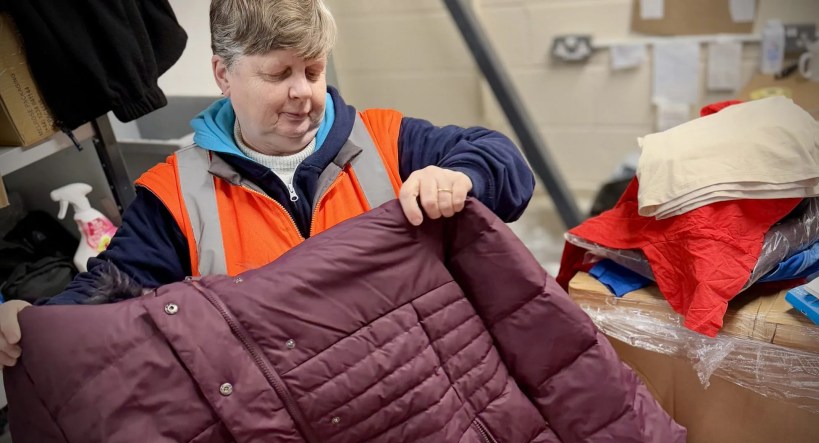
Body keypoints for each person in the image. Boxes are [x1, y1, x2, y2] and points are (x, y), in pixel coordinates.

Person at [0, 0, 534, 367]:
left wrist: (459, 175)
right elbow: (114, 286)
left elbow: (504, 165)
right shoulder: (173, 195)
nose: (303, 92)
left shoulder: (386, 140)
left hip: (416, 382)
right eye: (279, 75)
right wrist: (37, 319)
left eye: (314, 71)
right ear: (223, 75)